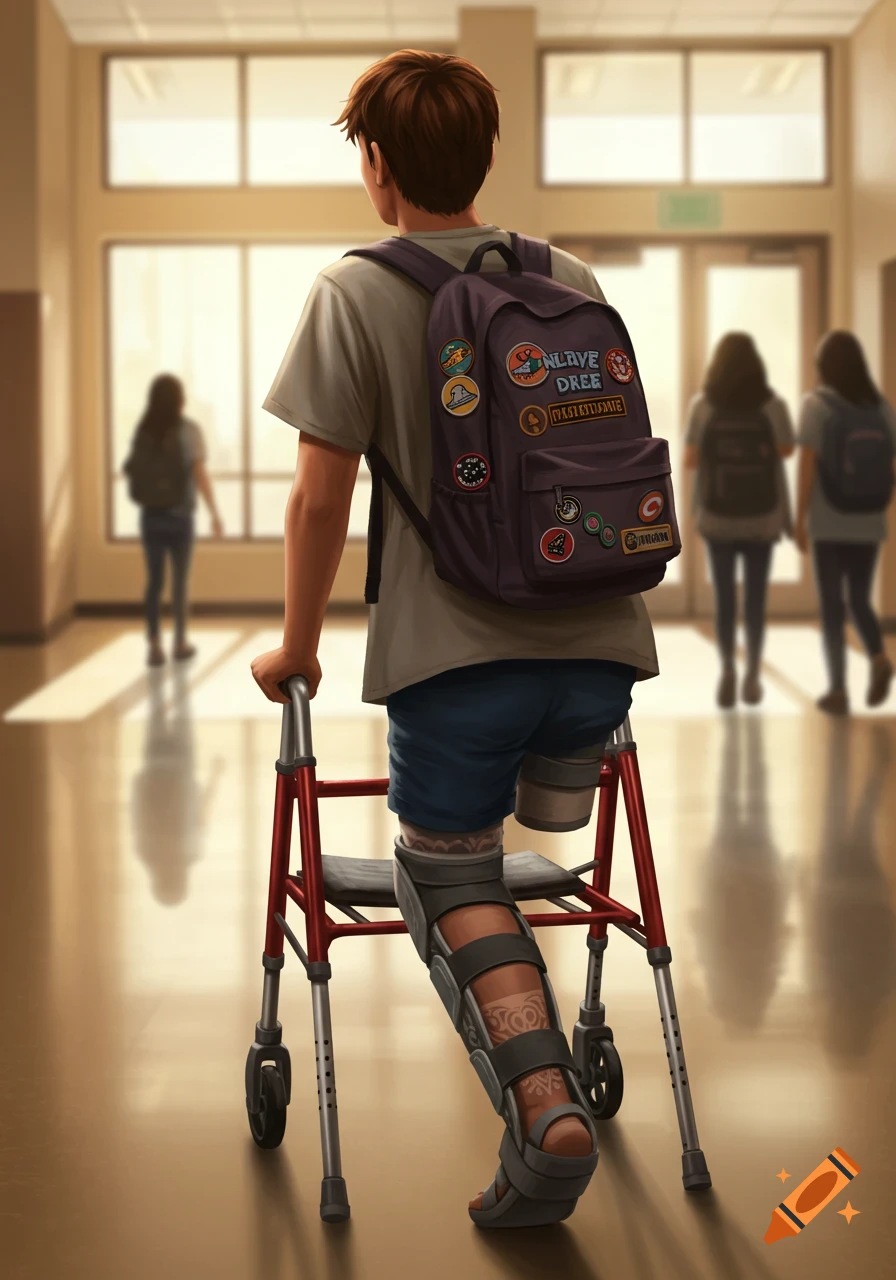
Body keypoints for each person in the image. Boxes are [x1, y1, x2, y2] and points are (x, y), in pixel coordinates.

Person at [250, 51, 660, 1228]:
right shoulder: (568, 275)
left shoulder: (354, 290)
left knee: (447, 869)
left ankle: (544, 1112)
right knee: (548, 843)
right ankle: (548, 899)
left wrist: (295, 646)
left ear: (376, 169)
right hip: (599, 658)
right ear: (484, 158)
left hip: (457, 662)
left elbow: (320, 499)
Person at [684, 333, 795, 708]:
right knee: (755, 599)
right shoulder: (771, 404)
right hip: (762, 515)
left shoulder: (704, 405)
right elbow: (787, 449)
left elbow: (689, 459)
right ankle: (752, 677)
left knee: (726, 599)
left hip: (718, 515)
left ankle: (728, 669)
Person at [794, 331, 896, 714]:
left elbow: (807, 468)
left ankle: (838, 689)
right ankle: (878, 656)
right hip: (868, 520)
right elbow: (890, 467)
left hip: (829, 520)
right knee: (860, 599)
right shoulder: (880, 407)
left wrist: (800, 519)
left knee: (833, 606)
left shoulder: (817, 404)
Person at [124, 374, 223, 666]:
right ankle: (179, 643)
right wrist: (214, 512)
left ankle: (154, 645)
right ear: (180, 400)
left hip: (151, 517)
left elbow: (133, 471)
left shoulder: (144, 430)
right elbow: (200, 475)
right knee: (180, 583)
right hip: (180, 518)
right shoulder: (188, 430)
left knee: (154, 582)